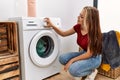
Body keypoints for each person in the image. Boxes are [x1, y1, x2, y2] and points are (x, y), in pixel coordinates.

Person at [44, 6, 102, 80]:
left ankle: (92, 71)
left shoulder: (93, 33)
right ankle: (83, 69)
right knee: (62, 58)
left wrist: (72, 60)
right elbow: (63, 33)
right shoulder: (78, 27)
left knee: (72, 70)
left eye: (81, 17)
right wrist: (52, 26)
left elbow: (89, 54)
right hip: (84, 53)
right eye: (79, 15)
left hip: (94, 58)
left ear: (89, 20)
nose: (78, 17)